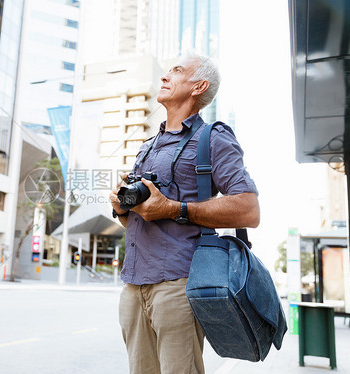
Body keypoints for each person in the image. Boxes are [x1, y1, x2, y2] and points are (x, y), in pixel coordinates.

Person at [109, 51, 260, 374]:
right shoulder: (147, 146)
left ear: (198, 86)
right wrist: (122, 208)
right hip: (133, 285)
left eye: (176, 71)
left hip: (178, 284)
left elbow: (249, 209)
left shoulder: (213, 138)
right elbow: (140, 219)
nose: (165, 77)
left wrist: (174, 208)